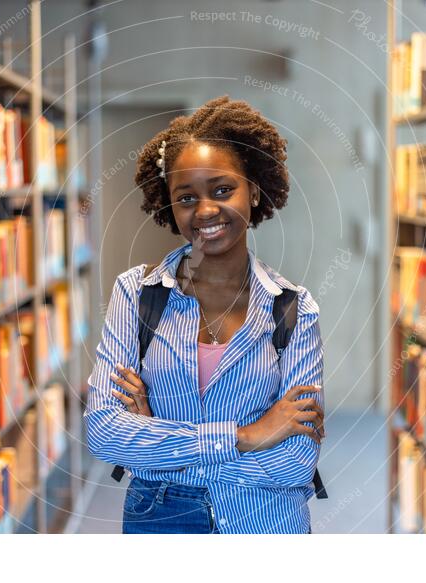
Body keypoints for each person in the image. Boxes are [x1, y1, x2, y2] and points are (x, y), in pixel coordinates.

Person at [83, 95, 325, 534]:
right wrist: (248, 436)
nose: (206, 210)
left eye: (222, 190)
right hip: (160, 523)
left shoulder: (293, 308)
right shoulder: (136, 294)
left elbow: (295, 463)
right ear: (170, 208)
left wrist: (156, 444)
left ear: (253, 189)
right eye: (186, 197)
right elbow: (104, 432)